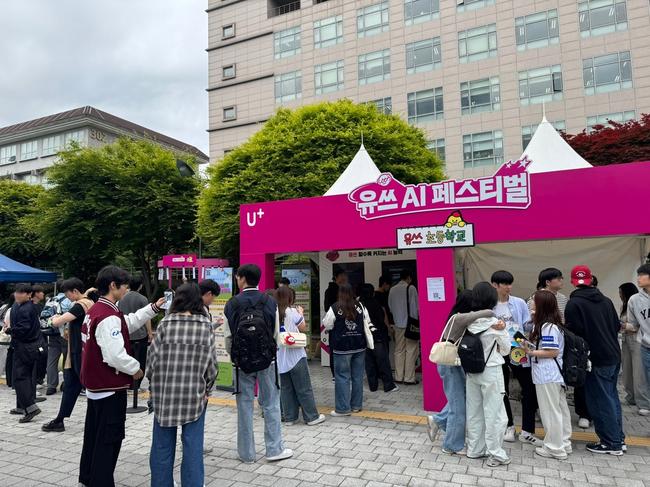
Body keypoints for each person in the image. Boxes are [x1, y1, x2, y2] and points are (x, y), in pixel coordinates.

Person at [78, 265, 164, 487]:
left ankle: (87, 477)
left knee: (93, 437)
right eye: (124, 285)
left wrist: (153, 308)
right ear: (113, 285)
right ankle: (101, 481)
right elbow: (115, 355)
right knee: (109, 440)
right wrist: (136, 368)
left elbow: (128, 322)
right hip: (109, 388)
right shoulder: (107, 316)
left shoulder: (98, 310)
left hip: (96, 388)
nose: (127, 289)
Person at [147, 283, 218, 487]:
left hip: (165, 395)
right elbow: (212, 365)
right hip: (194, 394)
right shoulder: (205, 326)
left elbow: (151, 361)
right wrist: (207, 389)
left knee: (161, 447)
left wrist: (152, 385)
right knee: (193, 447)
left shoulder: (165, 324)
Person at [223, 264, 293, 464]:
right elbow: (276, 334)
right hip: (266, 361)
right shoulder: (269, 301)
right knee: (271, 404)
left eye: (238, 277)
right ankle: (274, 449)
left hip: (241, 363)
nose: (237, 279)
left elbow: (228, 338)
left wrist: (237, 355)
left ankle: (247, 454)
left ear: (243, 278)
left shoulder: (232, 303)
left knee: (244, 407)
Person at [427, 290, 505, 454]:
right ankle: (451, 445)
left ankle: (438, 420)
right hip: (449, 364)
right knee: (458, 406)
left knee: (460, 400)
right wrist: (493, 315)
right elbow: (485, 313)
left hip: (455, 364)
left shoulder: (463, 318)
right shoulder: (458, 318)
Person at [565, 265, 624, 455]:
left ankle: (611, 443)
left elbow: (574, 334)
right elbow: (616, 326)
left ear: (573, 282)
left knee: (600, 400)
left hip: (594, 358)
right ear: (591, 280)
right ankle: (618, 438)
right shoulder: (606, 301)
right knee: (612, 397)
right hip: (613, 354)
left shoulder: (574, 304)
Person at [465, 282, 512, 467]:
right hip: (491, 370)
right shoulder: (496, 324)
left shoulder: (467, 320)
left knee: (474, 412)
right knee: (495, 414)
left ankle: (475, 449)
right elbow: (506, 350)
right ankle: (496, 454)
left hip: (471, 371)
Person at [42, 278, 96, 432]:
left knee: (88, 387)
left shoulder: (81, 305)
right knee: (71, 386)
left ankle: (96, 420)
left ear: (75, 291)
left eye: (67, 294)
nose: (67, 298)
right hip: (77, 352)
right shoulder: (88, 302)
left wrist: (53, 319)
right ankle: (60, 419)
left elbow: (59, 321)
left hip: (79, 353)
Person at [491, 270, 538, 445]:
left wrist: (533, 319)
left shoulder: (518, 302)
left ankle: (527, 430)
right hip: (497, 349)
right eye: (505, 284)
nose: (509, 287)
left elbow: (526, 326)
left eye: (510, 283)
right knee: (501, 388)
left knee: (528, 387)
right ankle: (508, 426)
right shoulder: (489, 305)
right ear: (495, 285)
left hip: (518, 347)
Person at [525, 290, 572, 460]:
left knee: (550, 411)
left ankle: (554, 448)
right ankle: (564, 442)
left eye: (533, 300)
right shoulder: (551, 324)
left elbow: (552, 351)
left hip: (547, 374)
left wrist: (530, 352)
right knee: (559, 409)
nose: (531, 302)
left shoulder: (547, 327)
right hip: (553, 374)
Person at [275, 286, 325, 426]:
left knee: (286, 389)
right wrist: (301, 313)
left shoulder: (274, 312)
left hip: (281, 357)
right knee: (304, 388)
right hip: (296, 356)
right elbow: (303, 328)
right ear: (290, 298)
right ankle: (312, 417)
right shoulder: (292, 312)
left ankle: (290, 418)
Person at [323, 283, 375, 416]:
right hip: (359, 346)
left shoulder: (335, 307)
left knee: (342, 377)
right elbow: (367, 321)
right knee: (357, 376)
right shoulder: (360, 306)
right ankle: (356, 406)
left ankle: (343, 409)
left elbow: (327, 324)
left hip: (341, 348)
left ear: (339, 293)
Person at [3, 283, 46, 422]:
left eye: (21, 293)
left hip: (27, 348)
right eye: (16, 292)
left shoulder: (27, 308)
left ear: (29, 295)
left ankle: (30, 408)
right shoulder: (18, 305)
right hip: (21, 346)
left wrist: (10, 330)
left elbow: (24, 328)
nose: (17, 295)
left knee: (21, 378)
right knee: (21, 376)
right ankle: (21, 406)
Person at [358, 283, 397, 393]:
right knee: (382, 362)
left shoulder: (358, 305)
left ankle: (373, 386)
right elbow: (381, 318)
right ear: (372, 293)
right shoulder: (375, 303)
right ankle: (388, 385)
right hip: (377, 336)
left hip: (364, 337)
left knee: (369, 363)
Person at [619, 281, 650, 415]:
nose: (620, 295)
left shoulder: (638, 303)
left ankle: (644, 402)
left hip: (637, 340)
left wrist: (623, 325)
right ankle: (631, 396)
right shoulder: (624, 306)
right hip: (625, 340)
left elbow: (636, 326)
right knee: (627, 371)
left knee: (639, 373)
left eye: (621, 292)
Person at [117, 276, 152, 393]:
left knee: (127, 357)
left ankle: (128, 383)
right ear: (140, 286)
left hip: (125, 334)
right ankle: (137, 384)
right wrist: (150, 333)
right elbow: (146, 317)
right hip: (140, 335)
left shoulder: (121, 298)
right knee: (140, 359)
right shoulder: (143, 299)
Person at [387, 269, 419, 385]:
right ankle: (409, 378)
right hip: (410, 325)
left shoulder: (392, 289)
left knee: (398, 350)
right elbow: (415, 307)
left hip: (397, 324)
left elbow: (390, 307)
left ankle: (398, 376)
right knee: (410, 350)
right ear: (409, 278)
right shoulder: (411, 288)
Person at [627, 265, 650, 407]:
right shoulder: (634, 300)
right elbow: (633, 325)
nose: (638, 278)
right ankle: (645, 404)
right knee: (644, 377)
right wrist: (622, 326)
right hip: (645, 345)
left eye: (642, 275)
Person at [45, 290, 73, 395]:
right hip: (64, 334)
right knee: (67, 359)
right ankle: (66, 383)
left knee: (52, 360)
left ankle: (51, 386)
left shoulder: (51, 300)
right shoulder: (68, 300)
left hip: (52, 332)